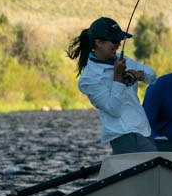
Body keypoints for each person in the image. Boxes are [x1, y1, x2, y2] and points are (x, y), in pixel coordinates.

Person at [67, 16, 157, 154]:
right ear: (98, 42)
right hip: (123, 134)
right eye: (114, 41)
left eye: (120, 40)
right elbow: (113, 109)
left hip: (143, 131)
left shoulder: (123, 60)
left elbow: (152, 76)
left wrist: (138, 75)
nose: (119, 45)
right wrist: (118, 76)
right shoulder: (88, 79)